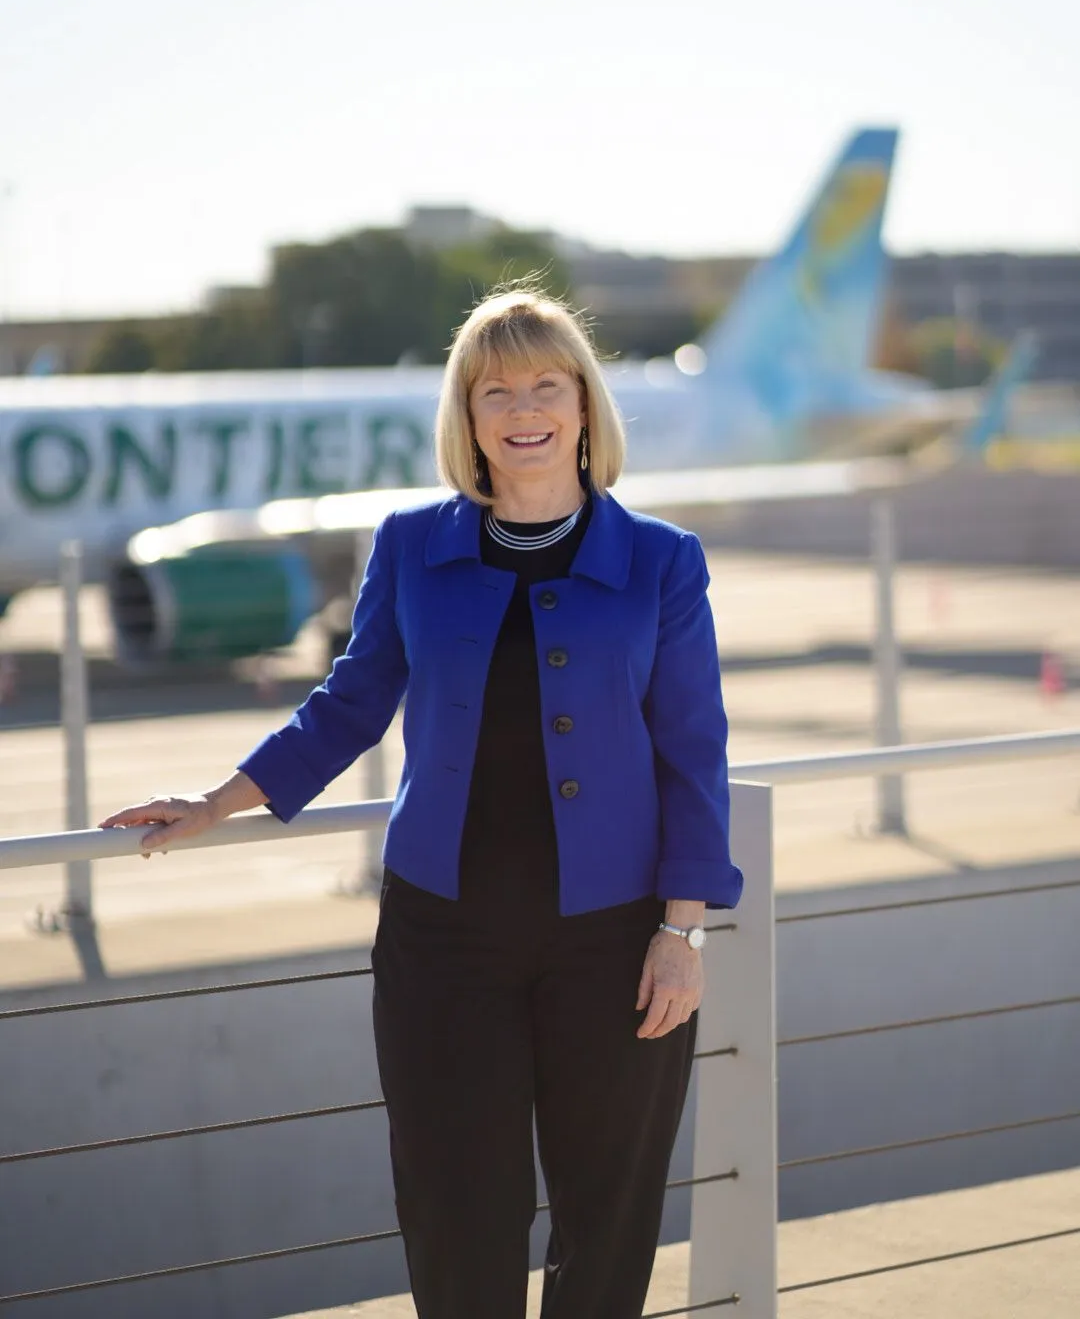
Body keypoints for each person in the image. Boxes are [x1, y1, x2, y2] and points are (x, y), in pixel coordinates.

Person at [100, 289, 743, 1319]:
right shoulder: (409, 546)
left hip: (617, 942)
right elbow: (350, 703)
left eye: (546, 386)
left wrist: (684, 932)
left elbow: (692, 754)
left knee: (609, 1216)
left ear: (584, 404)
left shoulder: (662, 560)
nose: (523, 410)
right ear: (467, 416)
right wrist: (218, 802)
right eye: (496, 391)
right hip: (443, 940)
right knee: (455, 1212)